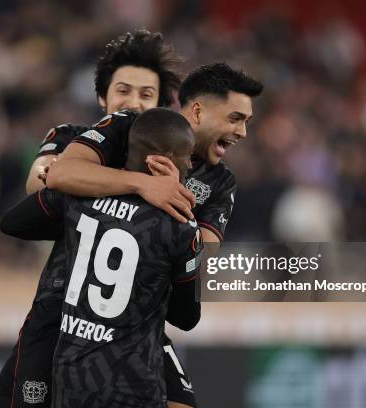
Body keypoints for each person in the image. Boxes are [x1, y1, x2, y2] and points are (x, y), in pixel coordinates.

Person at [0, 29, 188, 408]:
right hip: (63, 312)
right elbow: (41, 181)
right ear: (102, 97)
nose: (133, 103)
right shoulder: (71, 139)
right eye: (123, 90)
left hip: (135, 323)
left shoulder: (174, 165)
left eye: (147, 95)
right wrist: (139, 185)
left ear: (162, 106)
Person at [46, 62, 264, 407]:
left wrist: (176, 209)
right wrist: (144, 185)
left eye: (247, 122)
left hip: (141, 324)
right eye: (235, 118)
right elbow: (60, 176)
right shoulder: (132, 128)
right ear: (197, 110)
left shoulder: (220, 182)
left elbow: (200, 268)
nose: (242, 132)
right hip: (73, 313)